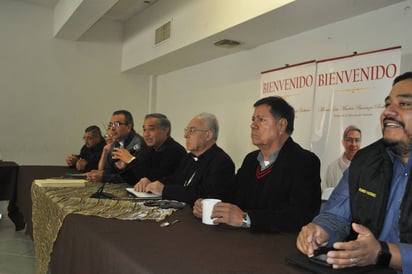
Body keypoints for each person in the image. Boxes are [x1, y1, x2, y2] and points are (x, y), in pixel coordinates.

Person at [296, 72, 412, 272]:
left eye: (404, 104)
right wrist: (320, 230)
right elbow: (336, 214)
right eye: (387, 104)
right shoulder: (365, 161)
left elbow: (379, 253)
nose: (388, 112)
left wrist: (383, 253)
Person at [193, 96, 321, 232]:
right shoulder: (251, 160)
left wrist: (246, 219)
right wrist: (208, 205)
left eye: (261, 119)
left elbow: (300, 216)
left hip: (279, 246)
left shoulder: (304, 161)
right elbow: (233, 194)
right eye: (253, 119)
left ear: (282, 125)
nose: (253, 125)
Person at [135, 112, 235, 205]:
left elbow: (204, 194)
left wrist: (164, 190)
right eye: (186, 130)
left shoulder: (222, 162)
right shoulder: (189, 157)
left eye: (192, 130)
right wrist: (151, 182)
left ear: (208, 135)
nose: (186, 135)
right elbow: (176, 179)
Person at [119, 113, 187, 185]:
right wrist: (125, 166)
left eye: (151, 129)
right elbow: (137, 179)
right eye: (144, 129)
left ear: (165, 130)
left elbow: (154, 179)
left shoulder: (175, 151)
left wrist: (131, 160)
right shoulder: (149, 149)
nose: (146, 134)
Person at [85, 110, 146, 183]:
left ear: (129, 127)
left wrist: (104, 177)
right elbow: (109, 170)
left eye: (117, 124)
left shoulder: (139, 144)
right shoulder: (115, 144)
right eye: (111, 125)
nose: (112, 128)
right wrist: (99, 174)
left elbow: (134, 177)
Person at [321, 125, 362, 199]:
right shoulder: (332, 167)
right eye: (350, 140)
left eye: (357, 140)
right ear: (343, 142)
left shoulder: (367, 167)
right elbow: (325, 195)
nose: (354, 144)